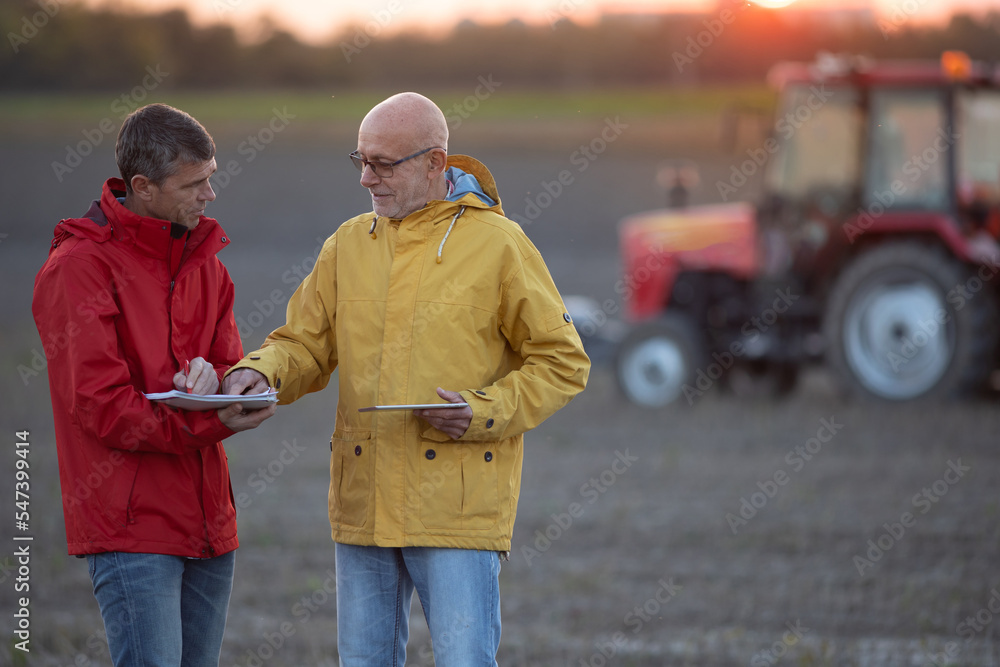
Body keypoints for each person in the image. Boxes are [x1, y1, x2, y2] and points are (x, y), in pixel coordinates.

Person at [223, 92, 590, 665]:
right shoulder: (347, 244)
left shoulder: (500, 245)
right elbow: (303, 345)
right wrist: (256, 372)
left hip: (457, 512)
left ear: (435, 163)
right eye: (360, 160)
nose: (367, 178)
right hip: (363, 504)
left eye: (384, 163)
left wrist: (481, 410)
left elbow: (563, 361)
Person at [32, 103, 275, 667]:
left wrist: (225, 382)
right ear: (142, 186)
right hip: (129, 527)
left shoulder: (206, 260)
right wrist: (213, 417)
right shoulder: (78, 268)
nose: (210, 195)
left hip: (211, 524)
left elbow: (227, 363)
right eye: (195, 183)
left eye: (210, 177)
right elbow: (103, 409)